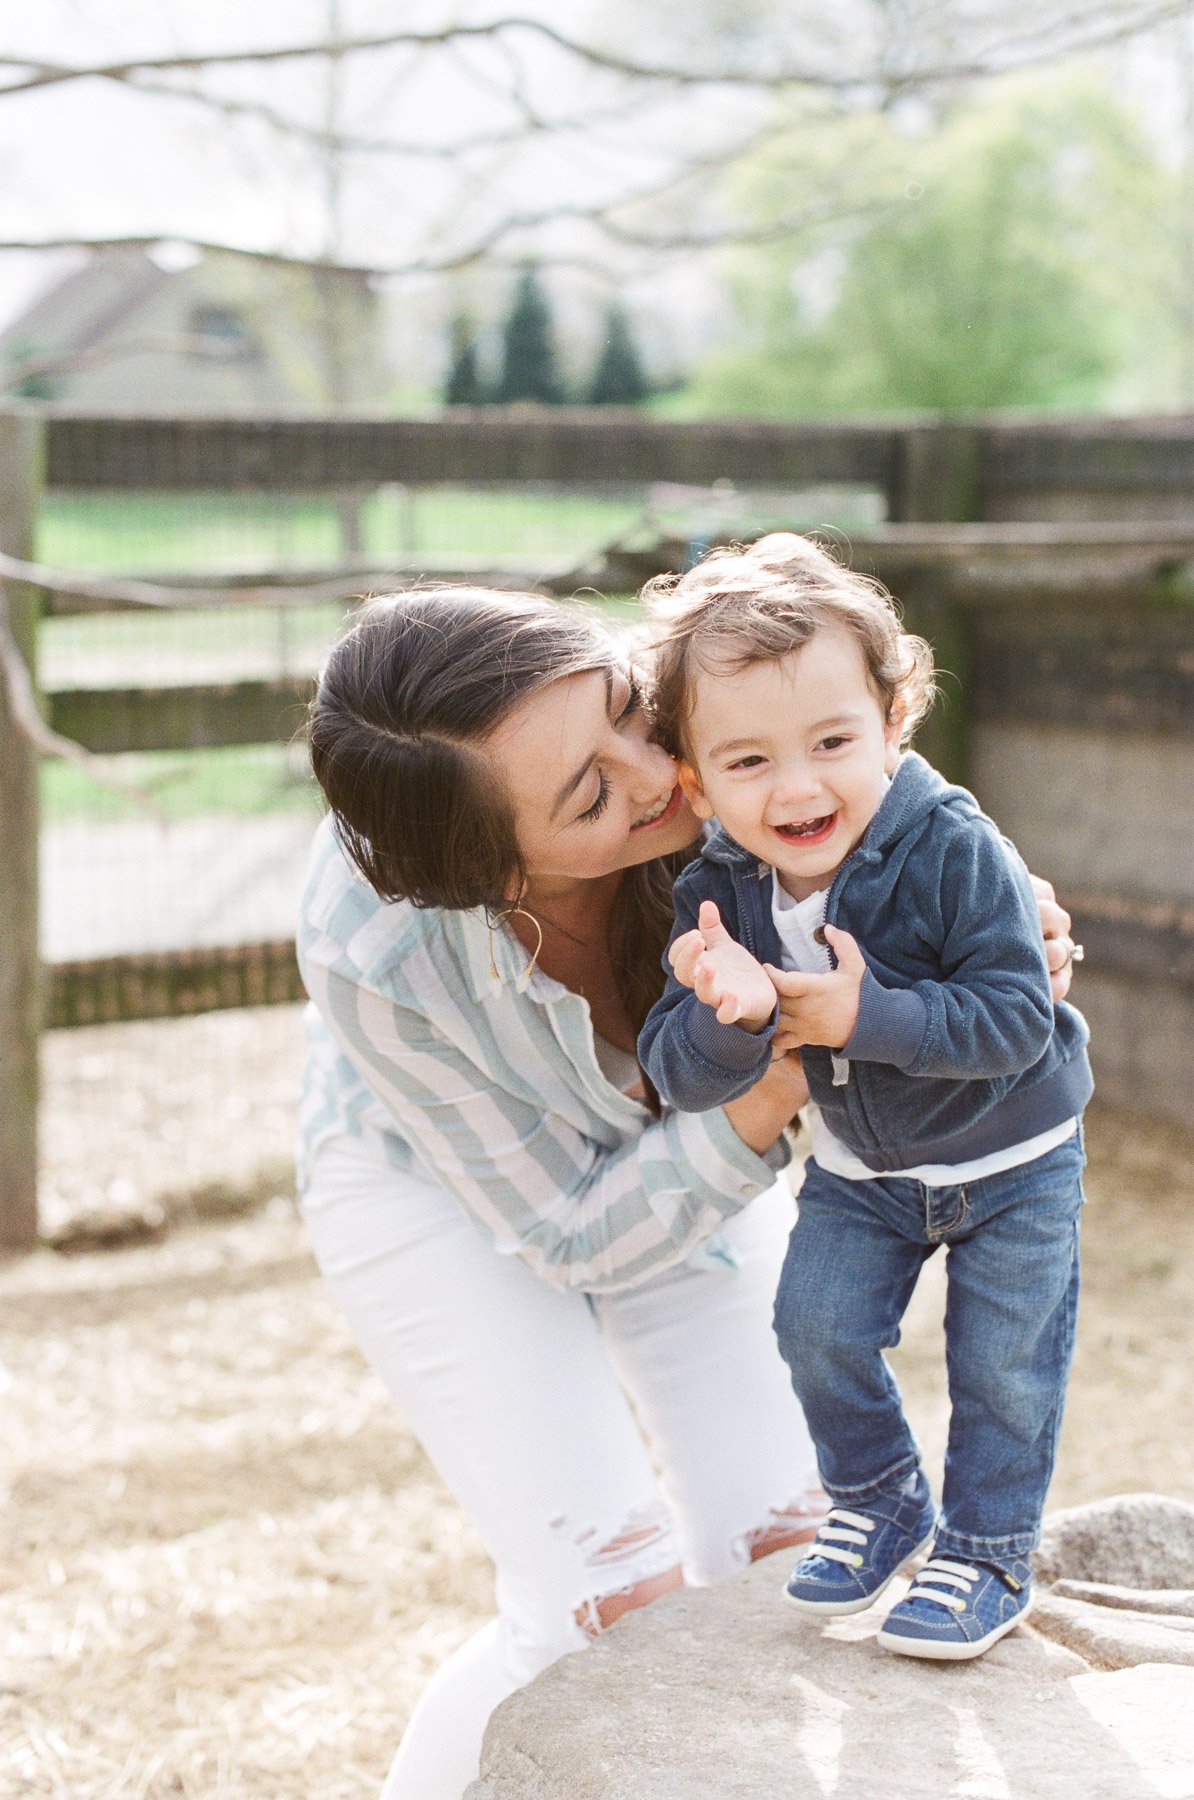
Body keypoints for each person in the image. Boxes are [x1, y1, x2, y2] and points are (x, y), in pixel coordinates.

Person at [298, 584, 1079, 1795]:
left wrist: (992, 949)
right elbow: (565, 1228)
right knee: (604, 1600)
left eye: (625, 710)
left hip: (693, 1157)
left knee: (795, 1548)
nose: (661, 774)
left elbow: (903, 848)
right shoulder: (377, 943)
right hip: (443, 1187)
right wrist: (776, 1088)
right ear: (493, 872)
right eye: (592, 795)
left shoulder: (718, 755)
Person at [637, 533, 1091, 1662]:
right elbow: (677, 1072)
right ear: (693, 779)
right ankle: (884, 1499)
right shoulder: (718, 892)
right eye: (746, 763)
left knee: (1002, 1365)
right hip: (864, 1170)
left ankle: (986, 1552)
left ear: (894, 721)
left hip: (1012, 1158)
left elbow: (1013, 1019)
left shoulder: (953, 849)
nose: (797, 787)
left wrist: (859, 1017)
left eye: (832, 741)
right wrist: (726, 1014)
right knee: (815, 1328)